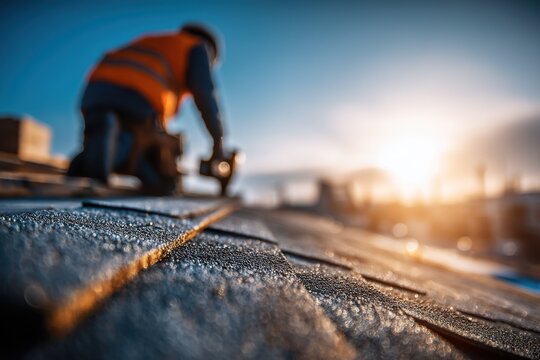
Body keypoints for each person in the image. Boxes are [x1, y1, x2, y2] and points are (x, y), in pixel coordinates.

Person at [68, 23, 226, 195]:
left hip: (95, 93)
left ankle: (96, 151)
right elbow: (205, 93)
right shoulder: (196, 46)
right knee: (162, 179)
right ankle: (109, 153)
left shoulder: (156, 40)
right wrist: (218, 140)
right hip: (138, 100)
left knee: (123, 137)